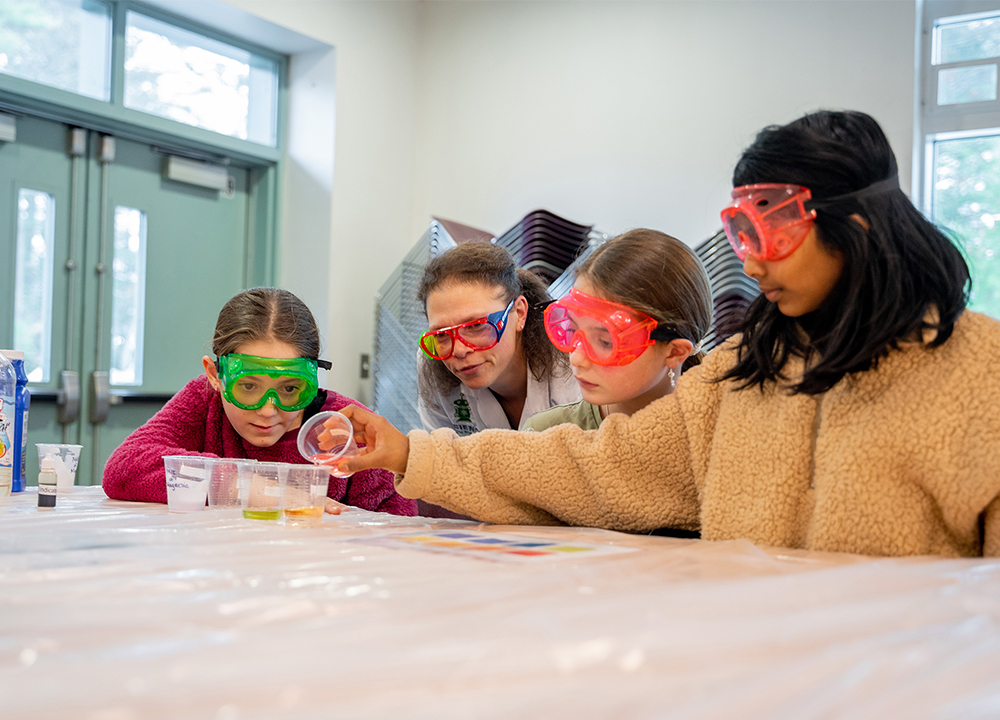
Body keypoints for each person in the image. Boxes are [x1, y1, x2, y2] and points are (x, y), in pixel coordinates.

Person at [328, 110, 1000, 557]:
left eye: (773, 230)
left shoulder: (978, 373)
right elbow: (589, 467)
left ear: (856, 227)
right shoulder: (742, 376)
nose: (754, 259)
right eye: (741, 233)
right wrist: (410, 454)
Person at [102, 287, 416, 516]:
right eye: (249, 386)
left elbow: (397, 530)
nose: (268, 410)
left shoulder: (347, 429)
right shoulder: (205, 400)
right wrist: (265, 490)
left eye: (291, 390)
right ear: (215, 375)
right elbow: (123, 468)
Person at [522, 229, 712, 431]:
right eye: (573, 328)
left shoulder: (725, 436)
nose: (576, 359)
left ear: (675, 352)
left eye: (605, 341)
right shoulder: (545, 436)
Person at [416, 241, 580, 434]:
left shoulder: (573, 365)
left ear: (519, 313)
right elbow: (440, 456)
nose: (459, 350)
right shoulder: (433, 362)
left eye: (476, 326)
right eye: (442, 333)